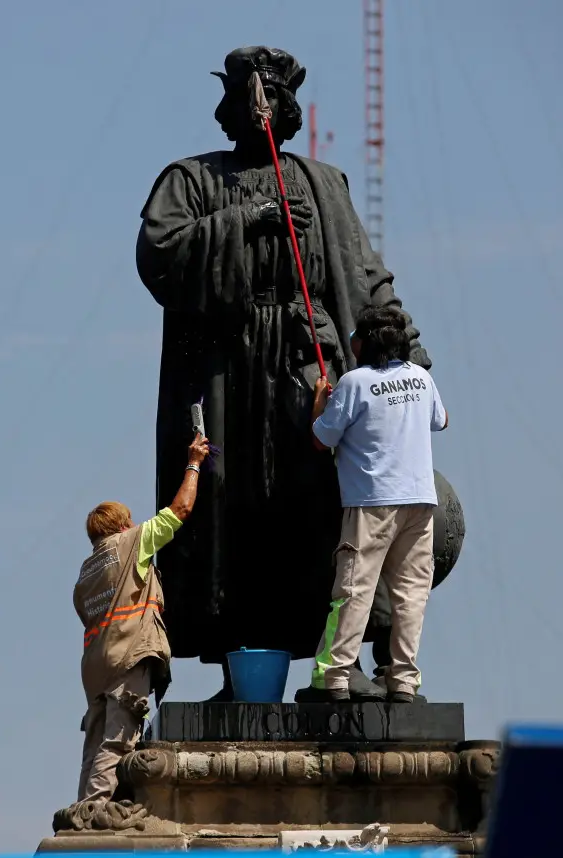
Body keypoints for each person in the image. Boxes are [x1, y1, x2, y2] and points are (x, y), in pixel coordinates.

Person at [136, 45, 438, 701]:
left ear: (287, 106)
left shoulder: (323, 184)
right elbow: (161, 253)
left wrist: (406, 358)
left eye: (269, 96)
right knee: (231, 512)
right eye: (248, 96)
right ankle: (235, 672)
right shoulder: (190, 179)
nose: (259, 109)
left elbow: (364, 277)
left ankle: (344, 662)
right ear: (229, 107)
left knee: (323, 507)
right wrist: (249, 219)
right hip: (225, 371)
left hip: (308, 366)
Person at [305, 306, 449, 702]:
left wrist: (320, 401)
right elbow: (442, 420)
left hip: (372, 502)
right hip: (420, 501)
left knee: (353, 588)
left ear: (365, 343)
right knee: (411, 593)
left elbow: (322, 439)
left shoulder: (354, 383)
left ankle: (333, 677)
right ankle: (403, 681)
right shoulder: (421, 378)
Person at [73, 432, 211, 804]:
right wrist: (194, 462)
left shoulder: (86, 571)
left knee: (96, 742)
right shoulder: (132, 542)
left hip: (95, 666)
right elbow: (179, 511)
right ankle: (95, 812)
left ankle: (84, 805)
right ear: (122, 525)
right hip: (128, 654)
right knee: (118, 739)